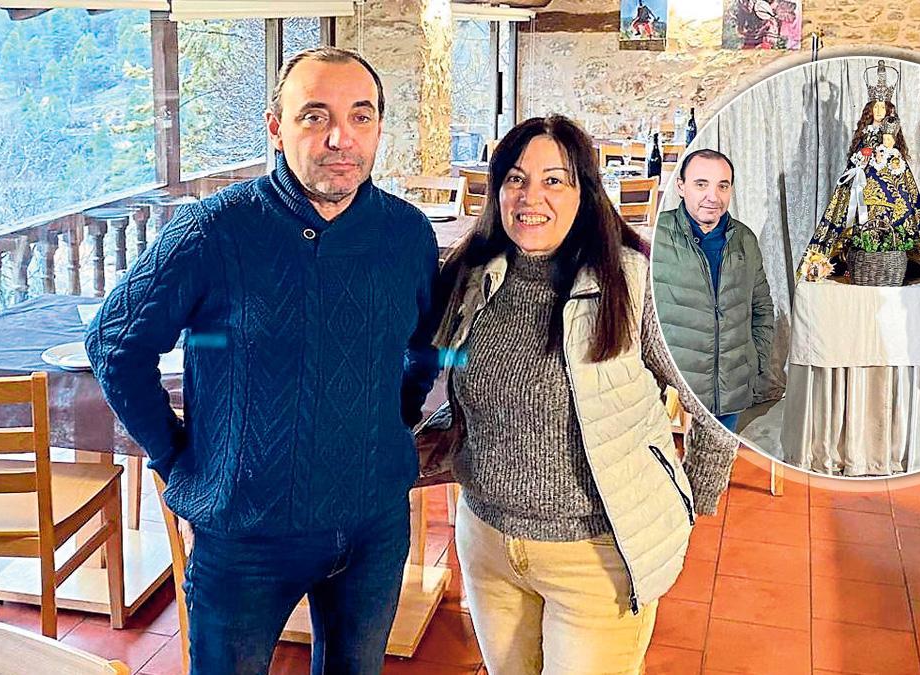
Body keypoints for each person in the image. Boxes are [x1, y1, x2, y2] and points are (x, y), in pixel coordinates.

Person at [85, 46, 440, 674]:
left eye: (361, 116)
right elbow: (115, 344)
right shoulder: (212, 232)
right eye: (314, 116)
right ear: (276, 128)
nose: (340, 137)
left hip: (374, 525)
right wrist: (179, 458)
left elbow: (424, 346)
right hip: (244, 535)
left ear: (380, 127)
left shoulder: (407, 233)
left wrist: (392, 419)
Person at [430, 115, 737, 674]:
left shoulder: (633, 281)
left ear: (584, 191)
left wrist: (688, 498)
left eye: (555, 180)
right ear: (496, 188)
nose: (531, 198)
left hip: (595, 559)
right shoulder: (473, 275)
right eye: (516, 179)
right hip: (488, 543)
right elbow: (446, 383)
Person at [652, 149, 775, 434]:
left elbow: (761, 308)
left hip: (731, 392)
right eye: (701, 184)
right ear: (681, 187)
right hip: (674, 396)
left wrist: (755, 364)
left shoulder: (744, 239)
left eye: (723, 185)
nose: (713, 196)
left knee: (718, 473)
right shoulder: (658, 237)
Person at [798, 65, 920, 280]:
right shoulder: (865, 133)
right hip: (862, 179)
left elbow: (896, 158)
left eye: (883, 107)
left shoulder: (891, 135)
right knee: (847, 212)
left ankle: (901, 259)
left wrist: (890, 159)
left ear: (889, 109)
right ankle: (850, 260)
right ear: (870, 109)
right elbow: (858, 154)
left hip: (889, 183)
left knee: (903, 209)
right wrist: (861, 160)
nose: (879, 111)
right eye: (876, 107)